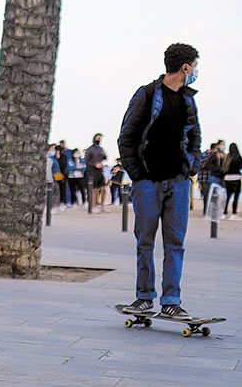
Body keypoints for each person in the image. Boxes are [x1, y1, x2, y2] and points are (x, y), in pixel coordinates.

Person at [118, 42, 202, 320]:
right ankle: (144, 298)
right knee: (145, 242)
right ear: (185, 67)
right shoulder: (146, 95)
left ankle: (171, 301)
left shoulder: (188, 99)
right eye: (195, 66)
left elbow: (195, 138)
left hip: (178, 183)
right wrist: (138, 176)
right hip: (148, 184)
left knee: (175, 244)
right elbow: (126, 138)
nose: (197, 71)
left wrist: (191, 167)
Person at [84, 134, 107, 212]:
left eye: (100, 138)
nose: (99, 140)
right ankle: (93, 205)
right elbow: (86, 161)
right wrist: (95, 165)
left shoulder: (100, 149)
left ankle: (102, 205)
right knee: (94, 189)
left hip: (100, 171)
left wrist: (104, 155)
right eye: (97, 138)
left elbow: (105, 157)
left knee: (103, 188)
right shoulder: (90, 149)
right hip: (92, 171)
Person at [223, 142, 242, 220]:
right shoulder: (238, 157)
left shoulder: (227, 157)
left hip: (227, 178)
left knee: (227, 197)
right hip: (236, 177)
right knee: (236, 197)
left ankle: (224, 212)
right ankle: (234, 213)